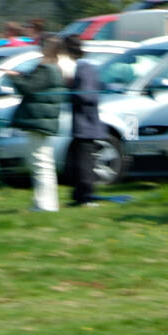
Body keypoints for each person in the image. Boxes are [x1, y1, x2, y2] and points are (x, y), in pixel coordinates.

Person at [7, 34, 67, 212]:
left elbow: (28, 88)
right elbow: (35, 85)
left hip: (38, 121)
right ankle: (46, 203)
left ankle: (44, 204)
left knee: (40, 164)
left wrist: (14, 77)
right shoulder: (54, 68)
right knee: (44, 163)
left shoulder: (45, 68)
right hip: (44, 120)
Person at [61, 34, 105, 207]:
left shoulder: (83, 68)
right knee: (77, 163)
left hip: (86, 125)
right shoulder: (79, 67)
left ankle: (87, 197)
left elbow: (88, 96)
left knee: (85, 164)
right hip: (81, 125)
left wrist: (70, 90)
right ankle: (78, 196)